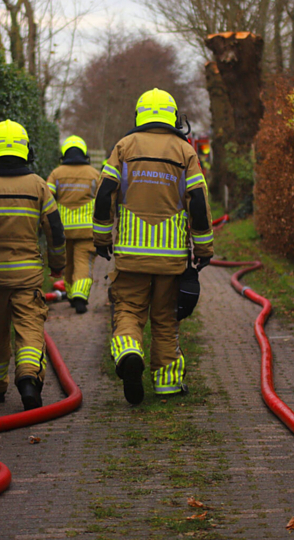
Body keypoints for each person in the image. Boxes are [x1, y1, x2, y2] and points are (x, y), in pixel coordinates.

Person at [92, 89, 214, 405]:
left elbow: (105, 194)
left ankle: (129, 352)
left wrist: (103, 239)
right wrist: (203, 248)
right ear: (173, 117)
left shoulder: (124, 147)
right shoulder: (185, 151)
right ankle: (168, 383)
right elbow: (197, 202)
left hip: (130, 256)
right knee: (165, 320)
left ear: (140, 116)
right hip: (171, 260)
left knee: (128, 312)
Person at [0, 120, 66, 410]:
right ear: (26, 150)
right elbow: (55, 229)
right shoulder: (38, 186)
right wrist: (57, 265)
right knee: (30, 329)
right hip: (28, 278)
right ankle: (28, 378)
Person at [46, 135, 99, 314]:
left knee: (67, 263)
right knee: (83, 262)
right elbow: (103, 200)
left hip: (63, 230)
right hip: (87, 230)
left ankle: (70, 293)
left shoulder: (56, 173)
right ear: (84, 153)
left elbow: (47, 198)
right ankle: (80, 296)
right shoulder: (93, 174)